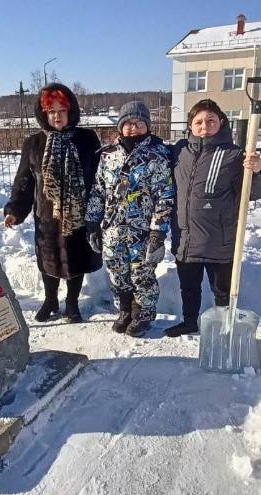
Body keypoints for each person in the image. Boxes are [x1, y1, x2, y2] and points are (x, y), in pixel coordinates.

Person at [165, 99, 261, 338]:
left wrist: (259, 170)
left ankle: (226, 326)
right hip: (186, 236)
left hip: (220, 238)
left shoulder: (234, 156)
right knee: (188, 287)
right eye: (199, 121)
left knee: (222, 289)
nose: (205, 126)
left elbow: (253, 193)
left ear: (221, 123)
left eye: (210, 121)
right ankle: (189, 321)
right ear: (190, 125)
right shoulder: (179, 151)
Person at [3, 83, 103, 323]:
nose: (57, 116)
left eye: (61, 110)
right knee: (49, 261)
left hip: (80, 214)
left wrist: (100, 210)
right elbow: (24, 182)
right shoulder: (34, 143)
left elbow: (100, 177)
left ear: (71, 111)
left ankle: (72, 303)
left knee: (77, 259)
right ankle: (50, 300)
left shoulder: (87, 139)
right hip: (46, 216)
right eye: (51, 111)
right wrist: (15, 210)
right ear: (44, 114)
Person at [85, 101, 174, 337]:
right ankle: (124, 310)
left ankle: (143, 313)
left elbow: (164, 195)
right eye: (127, 123)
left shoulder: (158, 155)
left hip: (142, 231)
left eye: (139, 123)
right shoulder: (108, 155)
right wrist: (92, 222)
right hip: (112, 229)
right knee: (117, 271)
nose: (133, 128)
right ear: (120, 127)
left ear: (147, 125)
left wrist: (158, 231)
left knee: (141, 273)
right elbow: (98, 190)